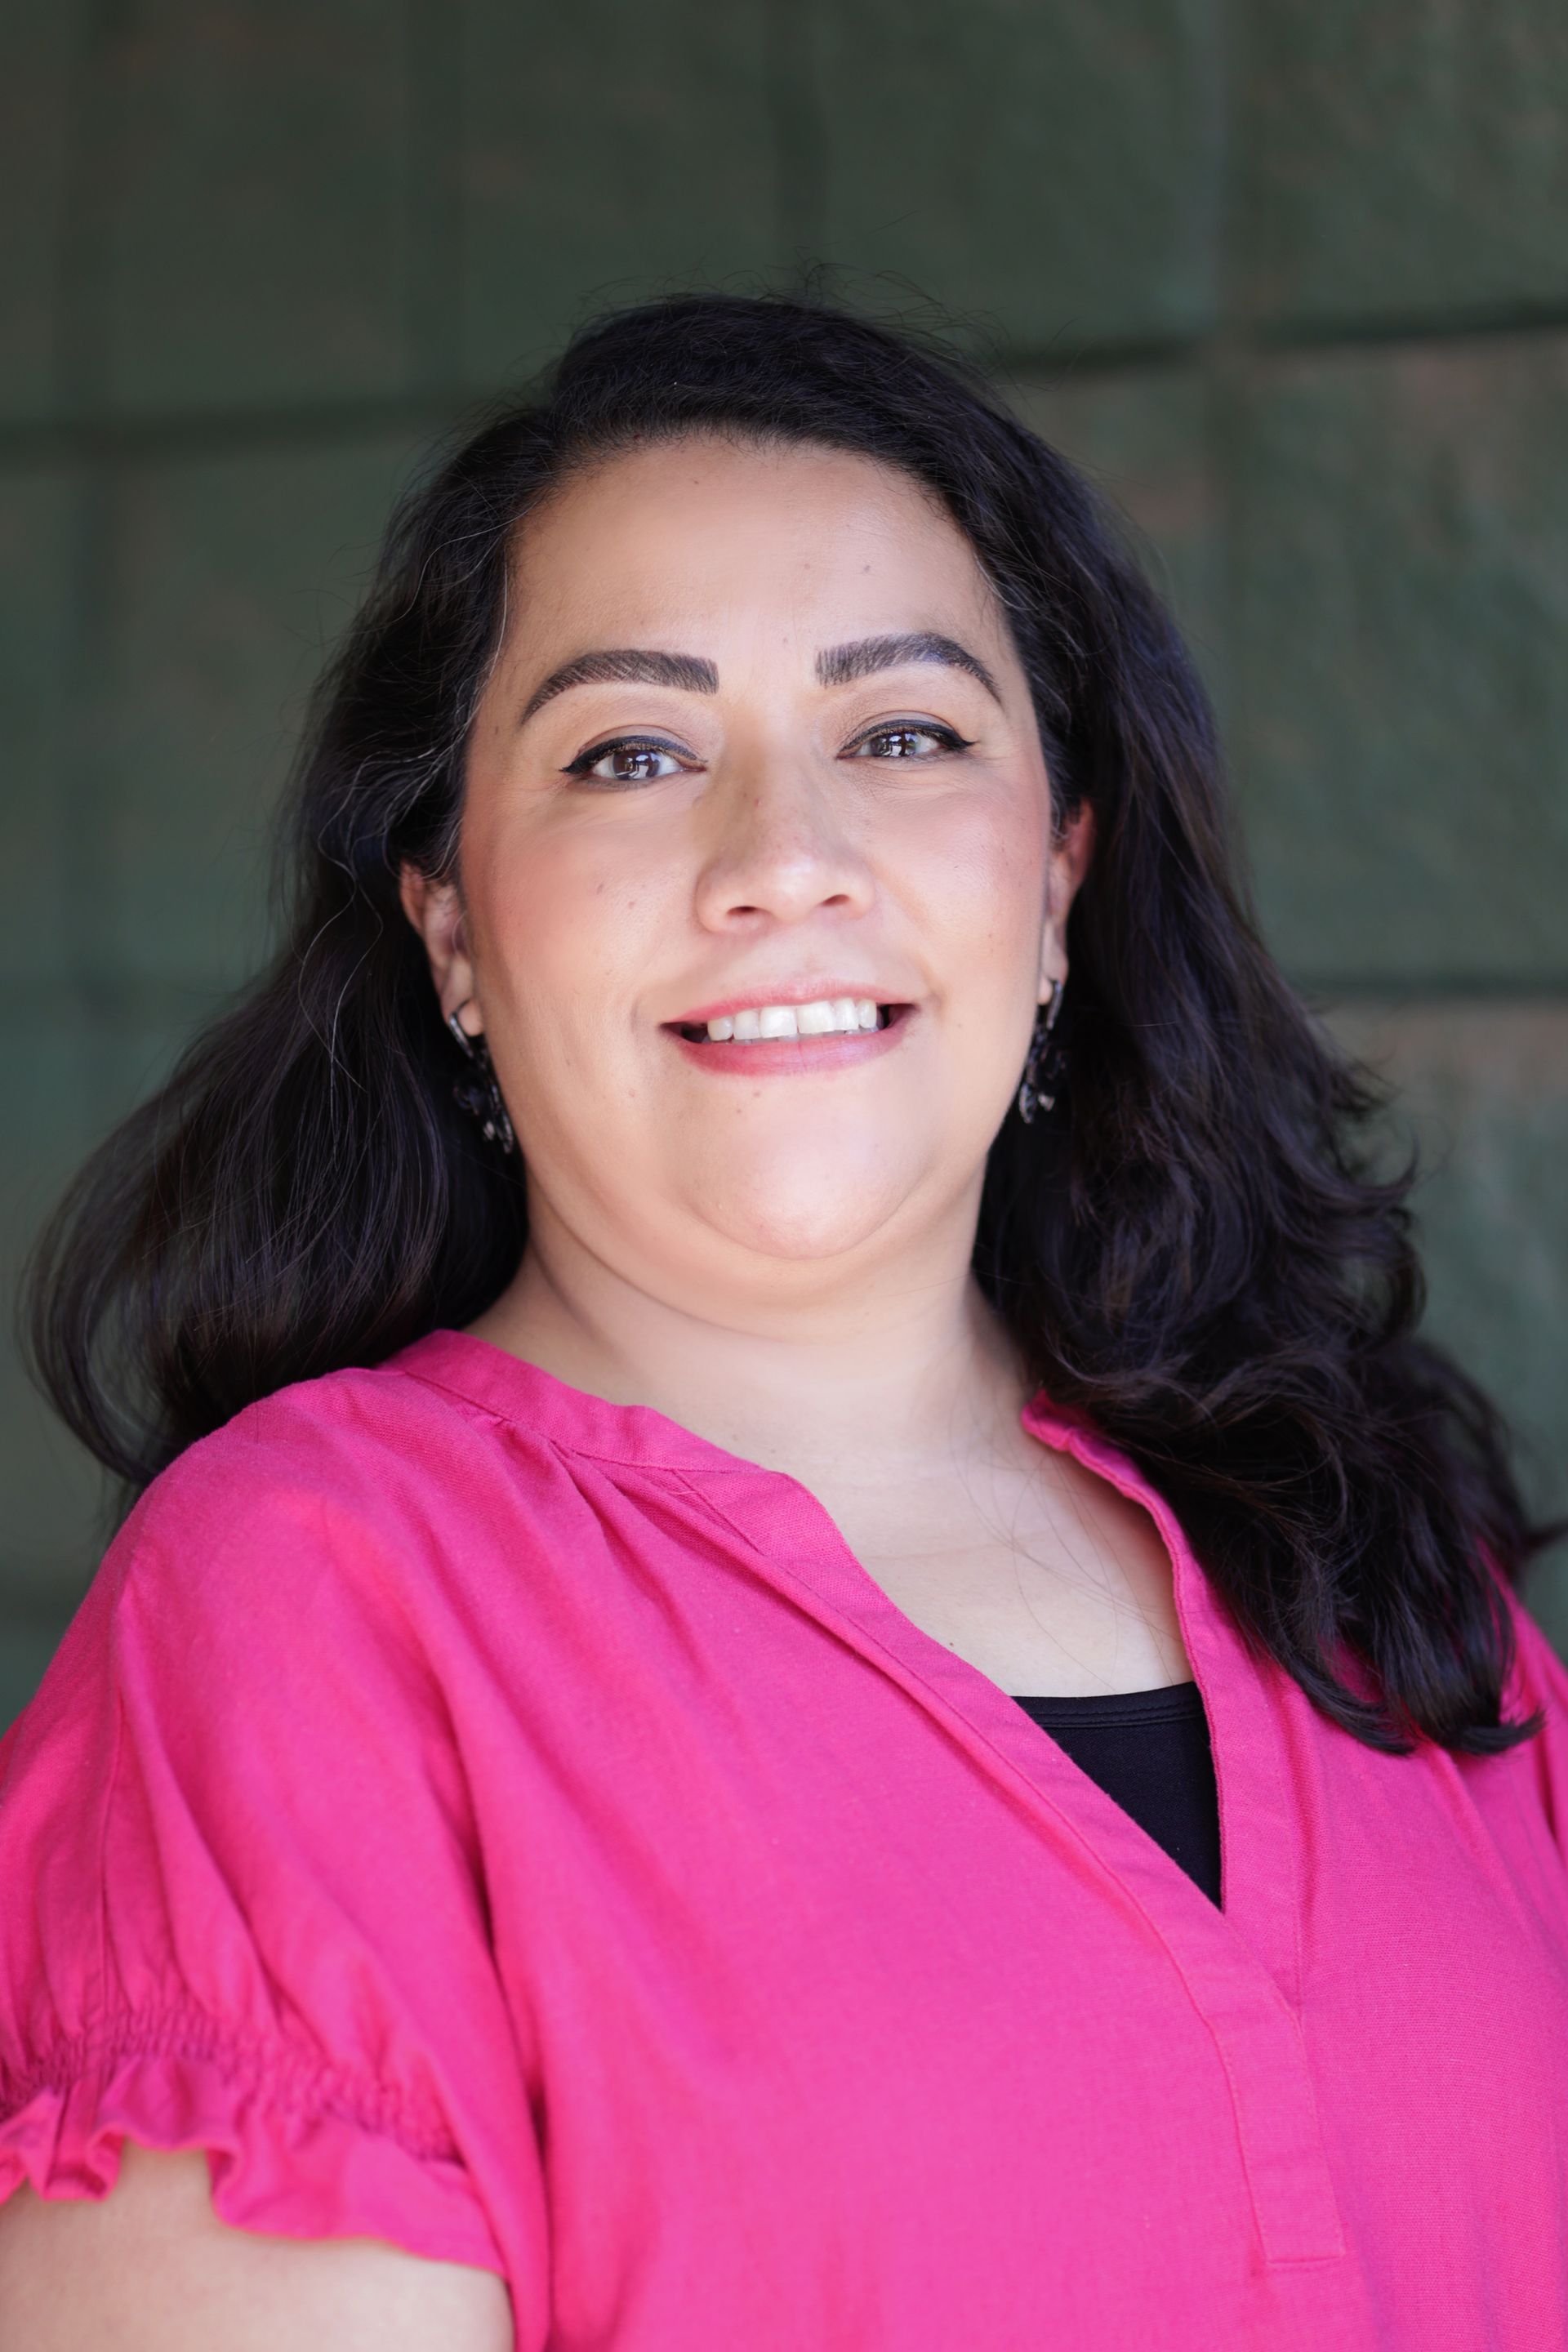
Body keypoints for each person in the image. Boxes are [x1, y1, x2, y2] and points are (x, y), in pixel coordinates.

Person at [0, 292, 1564, 2351]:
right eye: (632, 753)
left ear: (1063, 876)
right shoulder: (314, 1595)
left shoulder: (1368, 1557)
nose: (783, 861)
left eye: (901, 733)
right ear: (453, 923)